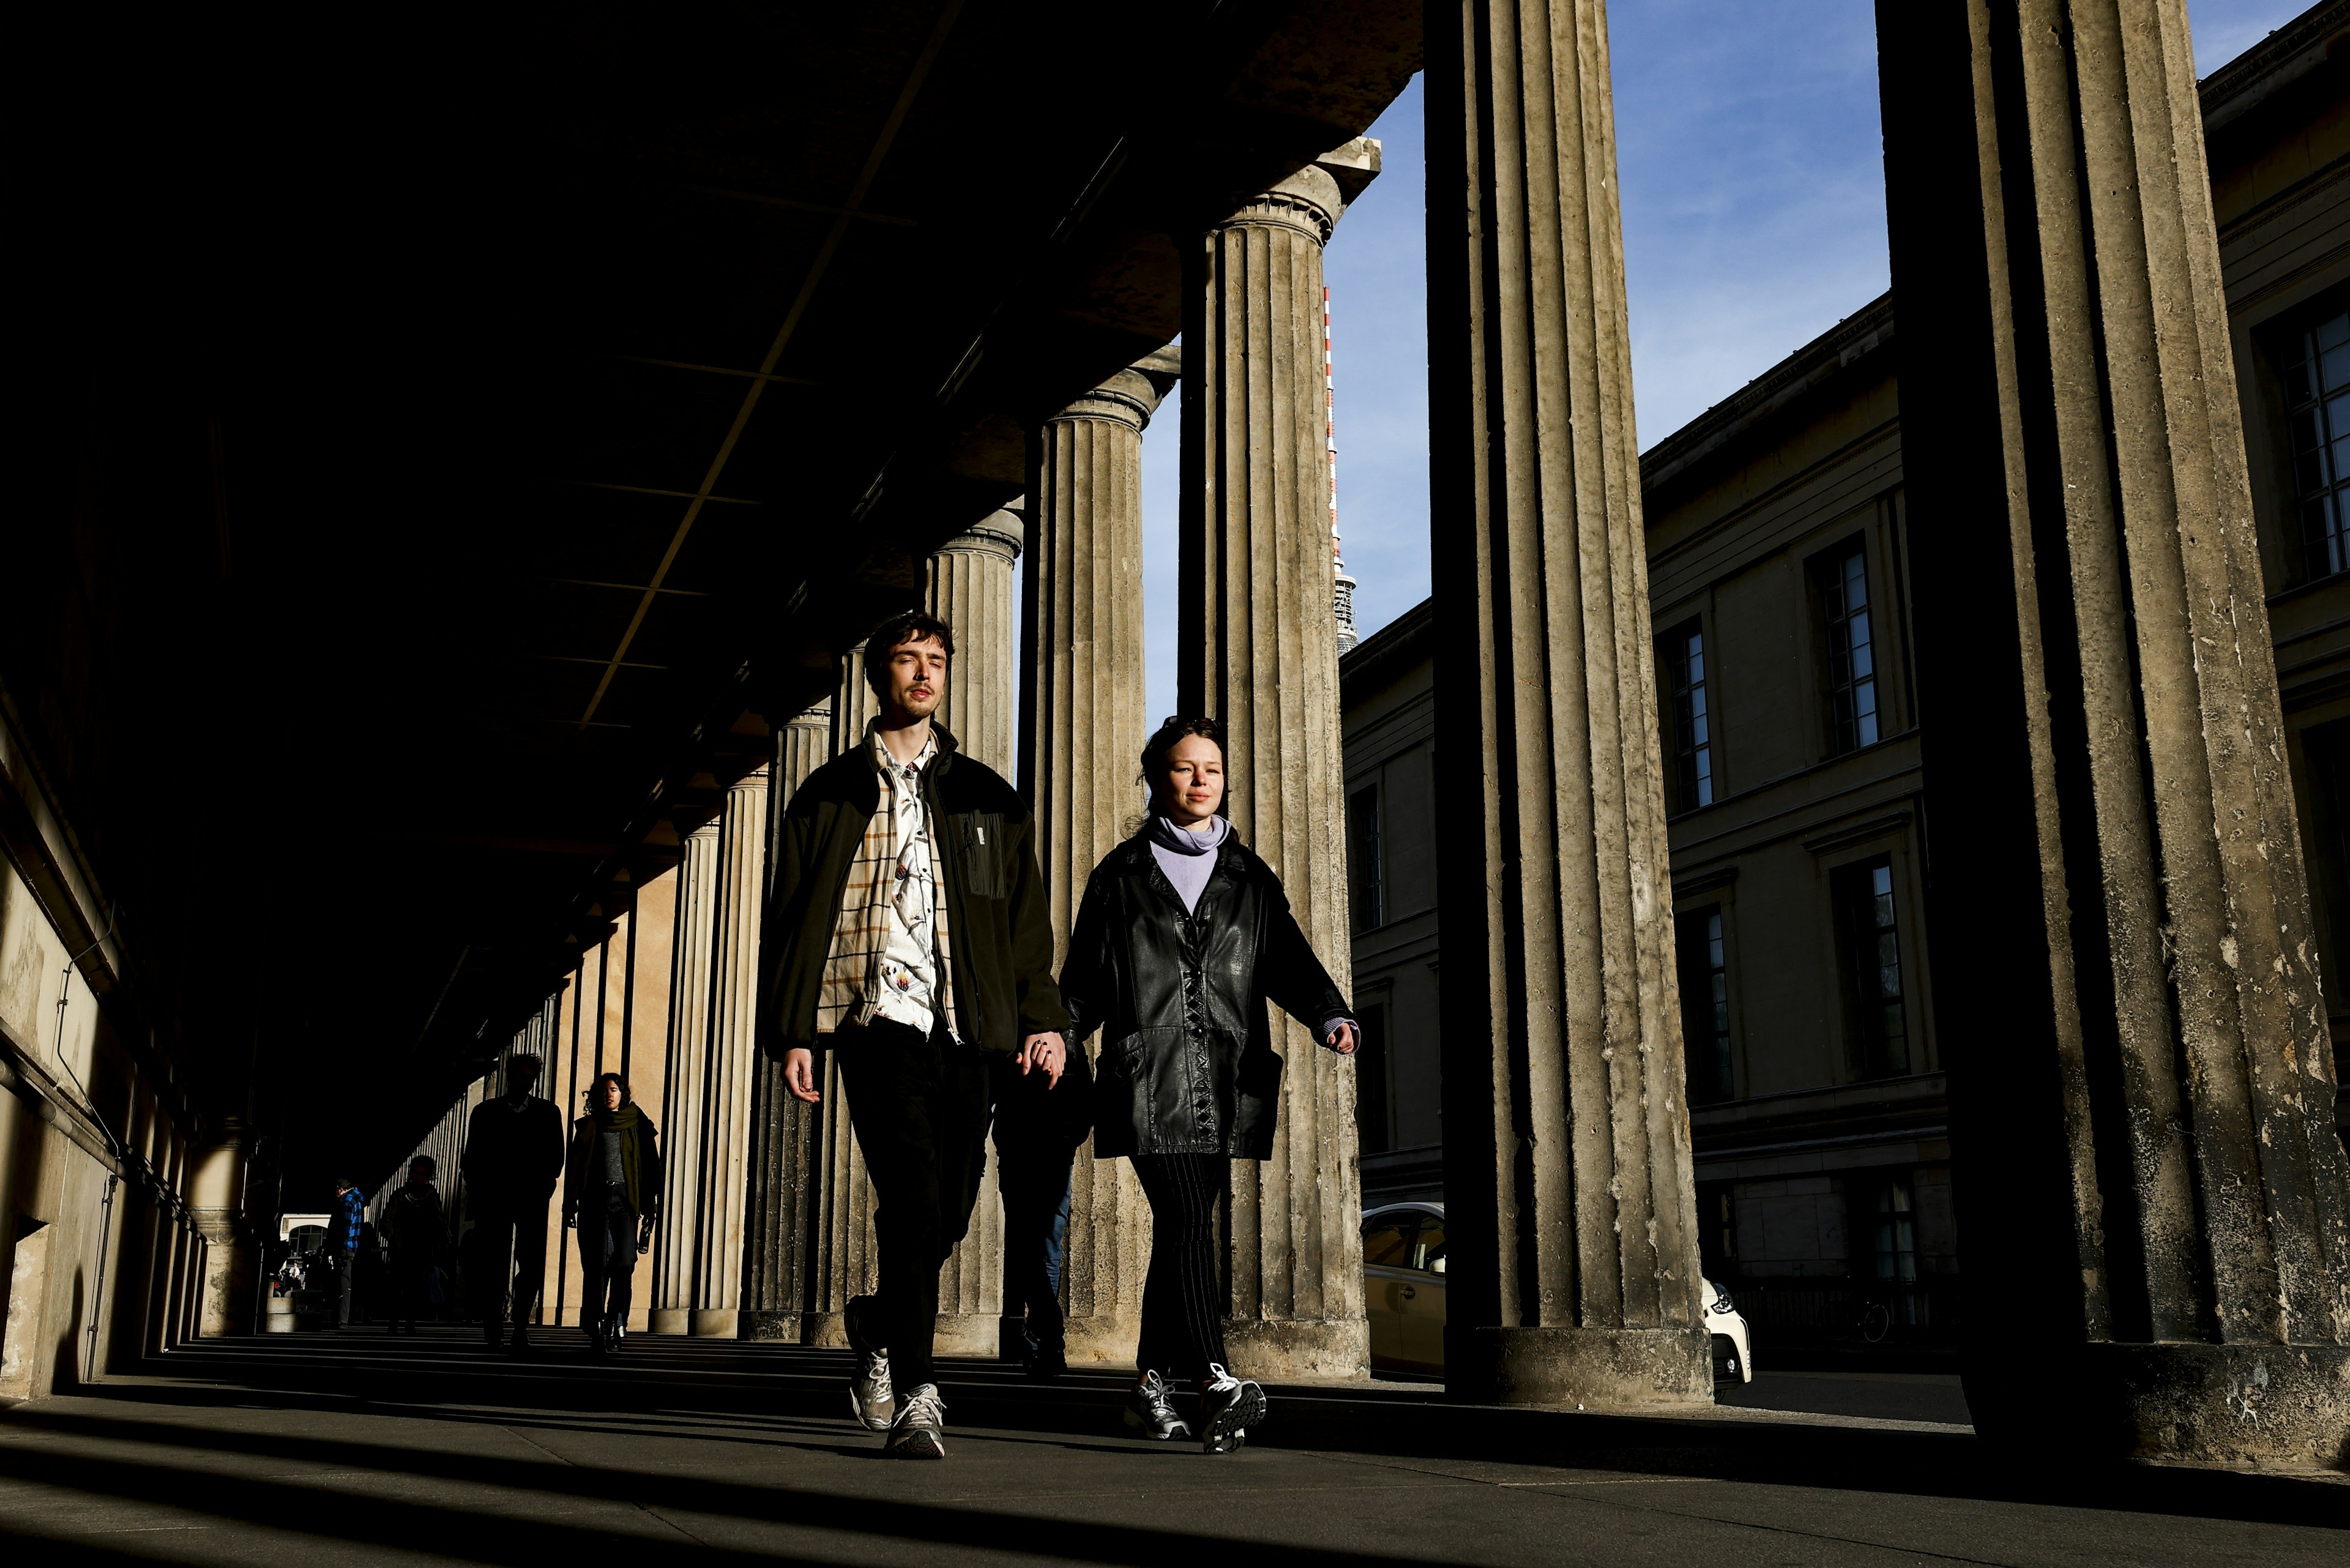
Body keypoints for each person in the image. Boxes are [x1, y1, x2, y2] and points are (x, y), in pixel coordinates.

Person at [764, 608, 1069, 1458]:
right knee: (910, 1191)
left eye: (936, 659)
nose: (925, 673)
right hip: (875, 1017)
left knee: (955, 1199)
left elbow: (1023, 921)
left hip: (968, 1024)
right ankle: (919, 1388)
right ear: (880, 675)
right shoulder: (826, 794)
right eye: (908, 659)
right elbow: (790, 920)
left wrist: (1041, 1019)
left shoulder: (986, 794)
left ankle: (877, 1321)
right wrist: (795, 1030)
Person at [1059, 715, 1358, 1454]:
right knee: (1189, 1216)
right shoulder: (1120, 875)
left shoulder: (1249, 875)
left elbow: (1283, 956)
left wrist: (1328, 1013)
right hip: (1147, 1075)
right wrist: (1056, 1035)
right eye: (1186, 769)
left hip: (1226, 1076)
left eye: (1213, 770)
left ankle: (1150, 1387)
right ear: (1158, 779)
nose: (1201, 781)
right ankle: (1215, 1376)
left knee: (1182, 1232)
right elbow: (1086, 980)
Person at [991, 1035, 1093, 1379]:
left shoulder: (1048, 1035)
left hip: (1039, 1145)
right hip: (1044, 1145)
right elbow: (1084, 1098)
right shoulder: (1065, 1036)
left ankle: (1044, 1338)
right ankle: (1045, 1340)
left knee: (1032, 1243)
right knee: (1041, 1245)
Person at [461, 1054, 565, 1354]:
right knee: (493, 1266)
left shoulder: (548, 1113)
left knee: (531, 1265)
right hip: (493, 1200)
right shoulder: (484, 1112)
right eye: (518, 1075)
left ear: (534, 1080)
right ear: (509, 1076)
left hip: (530, 1199)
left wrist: (544, 1188)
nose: (523, 1081)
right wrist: (478, 1189)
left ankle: (519, 1325)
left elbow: (556, 1157)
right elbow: (472, 1157)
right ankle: (494, 1328)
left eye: (529, 1077)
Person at [564, 1071, 662, 1353]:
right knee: (595, 1266)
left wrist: (650, 1203)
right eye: (605, 1090)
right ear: (597, 1095)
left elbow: (651, 1166)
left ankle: (617, 1318)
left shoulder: (638, 1125)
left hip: (626, 1200)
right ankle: (597, 1326)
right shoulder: (589, 1126)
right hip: (595, 1199)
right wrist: (571, 1203)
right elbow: (575, 1167)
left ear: (623, 1094)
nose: (609, 1094)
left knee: (625, 1262)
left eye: (615, 1090)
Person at [381, 1156, 449, 1334]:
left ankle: (410, 1324)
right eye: (415, 1173)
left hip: (420, 1249)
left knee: (414, 1289)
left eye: (422, 1174)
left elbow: (439, 1219)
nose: (418, 1177)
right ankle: (393, 1323)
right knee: (397, 1288)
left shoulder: (431, 1195)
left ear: (429, 1176)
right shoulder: (400, 1195)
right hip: (400, 1248)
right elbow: (387, 1219)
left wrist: (446, 1238)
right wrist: (390, 1234)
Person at [327, 1178, 366, 1329]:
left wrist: (336, 1245)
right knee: (346, 1283)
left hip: (344, 1247)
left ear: (340, 1189)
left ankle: (341, 1320)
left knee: (343, 1283)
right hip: (352, 1247)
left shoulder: (347, 1202)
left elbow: (345, 1227)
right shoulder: (356, 1199)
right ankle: (343, 1319)